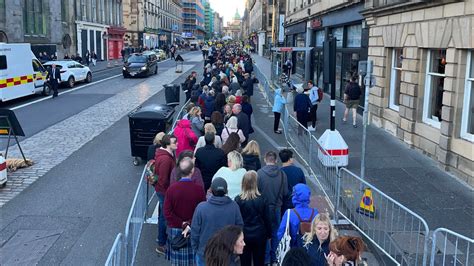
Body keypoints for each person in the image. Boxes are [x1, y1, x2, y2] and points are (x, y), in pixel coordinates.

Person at [191, 178, 244, 266]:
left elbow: (195, 231)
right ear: (226, 191)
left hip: (205, 254)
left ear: (211, 190)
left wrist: (197, 248)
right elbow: (239, 229)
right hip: (228, 254)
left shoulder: (201, 208)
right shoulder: (234, 207)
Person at [165, 157, 206, 265]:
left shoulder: (171, 189)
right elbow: (202, 211)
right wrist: (189, 223)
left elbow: (167, 212)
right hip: (194, 229)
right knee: (192, 261)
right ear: (192, 171)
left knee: (177, 263)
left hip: (175, 229)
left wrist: (181, 223)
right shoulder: (199, 189)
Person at [257, 151, 290, 265]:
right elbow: (286, 192)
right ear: (276, 161)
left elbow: (256, 193)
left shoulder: (259, 174)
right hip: (277, 208)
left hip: (263, 209)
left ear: (265, 159)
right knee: (276, 233)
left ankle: (266, 260)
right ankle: (275, 258)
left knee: (265, 234)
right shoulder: (282, 174)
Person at [235, 171, 272, 266]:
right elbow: (267, 218)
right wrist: (269, 233)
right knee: (259, 261)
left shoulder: (238, 199)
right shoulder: (263, 198)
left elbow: (237, 220)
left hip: (244, 235)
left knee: (244, 262)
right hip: (259, 234)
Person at [154, 134, 178, 255]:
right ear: (167, 144)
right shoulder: (166, 159)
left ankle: (160, 238)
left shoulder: (166, 155)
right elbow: (163, 180)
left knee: (161, 215)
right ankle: (161, 244)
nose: (177, 144)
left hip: (161, 191)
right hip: (164, 192)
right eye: (174, 142)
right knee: (164, 217)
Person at [278, 184, 319, 248]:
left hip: (294, 249)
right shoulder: (315, 212)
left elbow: (281, 233)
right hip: (311, 249)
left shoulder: (289, 213)